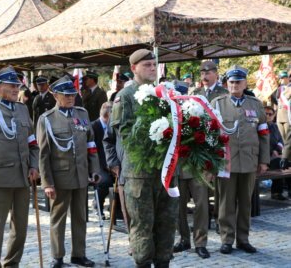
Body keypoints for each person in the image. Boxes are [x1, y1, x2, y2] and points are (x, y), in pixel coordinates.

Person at [109, 49, 179, 268]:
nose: (151, 68)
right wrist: (156, 139)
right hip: (139, 174)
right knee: (142, 225)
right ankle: (143, 263)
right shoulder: (126, 96)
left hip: (166, 171)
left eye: (152, 64)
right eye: (146, 65)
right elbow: (125, 134)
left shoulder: (164, 93)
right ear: (134, 68)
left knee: (167, 223)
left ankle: (163, 262)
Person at [37, 75, 101, 268]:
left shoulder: (82, 114)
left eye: (72, 94)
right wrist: (47, 182)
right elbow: (43, 154)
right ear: (55, 95)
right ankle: (57, 257)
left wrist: (95, 169)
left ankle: (78, 254)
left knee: (81, 217)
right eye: (66, 95)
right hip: (60, 177)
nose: (71, 97)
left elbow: (91, 145)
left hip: (81, 176)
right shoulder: (47, 119)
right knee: (58, 218)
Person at [211, 65, 270, 254]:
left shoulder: (255, 104)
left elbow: (263, 134)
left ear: (245, 83)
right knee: (226, 202)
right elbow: (210, 134)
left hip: (249, 161)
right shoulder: (217, 103)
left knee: (246, 203)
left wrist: (264, 160)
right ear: (227, 84)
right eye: (231, 82)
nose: (234, 85)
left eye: (238, 82)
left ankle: (243, 239)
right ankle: (227, 238)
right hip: (226, 162)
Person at [173, 61, 227, 258]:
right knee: (178, 206)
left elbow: (214, 134)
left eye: (208, 71)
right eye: (202, 72)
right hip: (177, 167)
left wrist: (211, 166)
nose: (204, 75)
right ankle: (184, 239)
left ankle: (200, 242)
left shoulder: (207, 101)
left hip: (199, 165)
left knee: (201, 205)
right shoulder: (177, 106)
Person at [0, 67, 39, 268]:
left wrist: (34, 166)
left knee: (21, 227)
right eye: (11, 85)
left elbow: (32, 142)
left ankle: (12, 263)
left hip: (23, 178)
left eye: (17, 85)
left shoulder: (21, 109)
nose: (15, 89)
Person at [91, 102, 114, 218]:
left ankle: (116, 209)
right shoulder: (93, 127)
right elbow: (93, 151)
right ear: (106, 117)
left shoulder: (113, 126)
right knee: (105, 181)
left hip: (112, 161)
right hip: (98, 162)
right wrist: (106, 165)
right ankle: (98, 206)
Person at [264, 106, 286, 200]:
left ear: (273, 116)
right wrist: (271, 151)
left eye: (270, 114)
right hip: (264, 157)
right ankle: (276, 192)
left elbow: (281, 140)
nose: (268, 116)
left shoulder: (275, 126)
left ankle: (282, 191)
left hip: (275, 155)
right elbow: (261, 142)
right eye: (266, 113)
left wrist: (276, 150)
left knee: (284, 162)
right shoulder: (259, 126)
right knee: (278, 163)